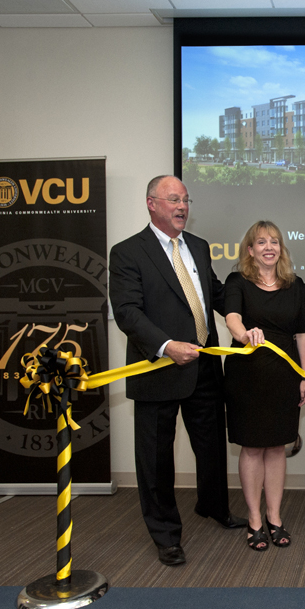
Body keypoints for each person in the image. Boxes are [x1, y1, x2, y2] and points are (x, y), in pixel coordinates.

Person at [109, 175, 246, 567]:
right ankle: (166, 535)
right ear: (151, 203)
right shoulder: (127, 252)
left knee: (212, 446)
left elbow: (217, 295)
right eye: (173, 199)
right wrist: (167, 346)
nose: (182, 206)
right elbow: (128, 313)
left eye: (185, 199)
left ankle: (214, 507)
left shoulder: (199, 247)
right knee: (155, 459)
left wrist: (256, 302)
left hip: (204, 365)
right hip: (158, 369)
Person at [223, 221, 305, 551]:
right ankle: (255, 519)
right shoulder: (237, 281)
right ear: (250, 250)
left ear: (281, 249)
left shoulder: (295, 285)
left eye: (274, 241)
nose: (269, 247)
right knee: (252, 447)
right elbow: (232, 318)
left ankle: (275, 518)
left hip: (284, 375)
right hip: (246, 375)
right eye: (261, 242)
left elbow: (301, 334)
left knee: (276, 446)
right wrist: (244, 333)